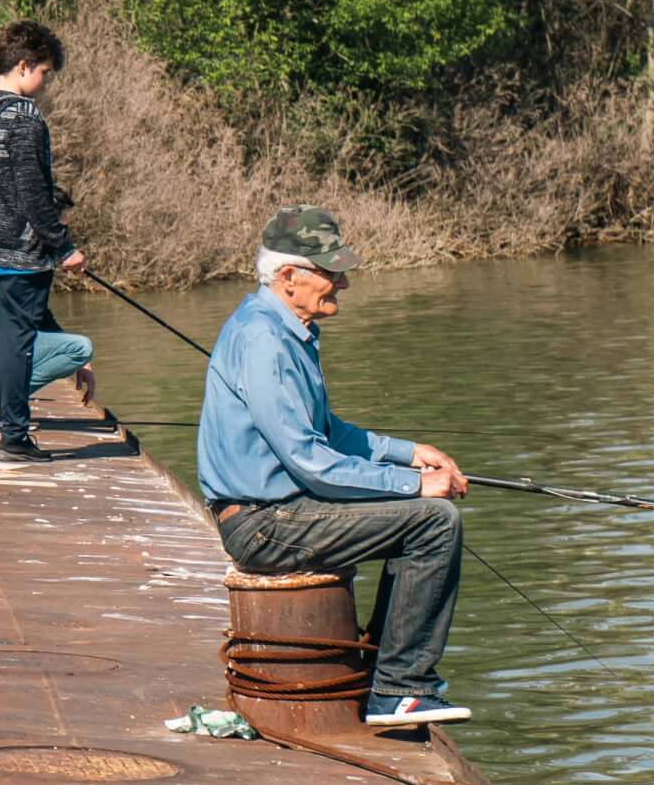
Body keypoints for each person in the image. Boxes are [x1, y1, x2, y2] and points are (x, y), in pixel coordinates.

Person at [197, 206, 473, 730]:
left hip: (281, 511)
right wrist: (417, 486)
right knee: (435, 523)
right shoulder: (263, 341)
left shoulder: (282, 328)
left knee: (420, 513)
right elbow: (312, 462)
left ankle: (384, 675)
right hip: (264, 524)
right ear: (288, 277)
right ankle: (400, 690)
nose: (342, 282)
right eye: (331, 272)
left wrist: (408, 452)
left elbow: (326, 430)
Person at [0, 20, 85, 463]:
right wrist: (64, 248)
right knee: (17, 342)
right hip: (21, 249)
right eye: (44, 73)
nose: (45, 84)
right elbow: (33, 191)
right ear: (24, 65)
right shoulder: (23, 117)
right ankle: (14, 436)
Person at [0, 267, 98, 410]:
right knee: (81, 347)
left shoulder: (8, 261)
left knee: (77, 350)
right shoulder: (5, 268)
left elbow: (42, 315)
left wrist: (84, 364)